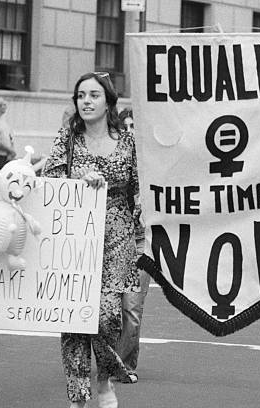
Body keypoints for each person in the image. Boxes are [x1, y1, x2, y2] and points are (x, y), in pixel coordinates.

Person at [43, 72, 139, 408]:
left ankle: (104, 379)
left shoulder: (128, 143)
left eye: (94, 95)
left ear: (109, 102)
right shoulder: (67, 140)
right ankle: (78, 396)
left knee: (108, 316)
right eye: (81, 95)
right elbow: (49, 177)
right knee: (73, 318)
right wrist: (78, 178)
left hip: (116, 237)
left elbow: (140, 191)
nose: (86, 101)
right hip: (75, 234)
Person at [115, 106, 148, 384]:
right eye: (125, 127)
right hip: (112, 241)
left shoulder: (155, 166)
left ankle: (125, 365)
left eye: (134, 127)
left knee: (132, 309)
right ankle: (109, 357)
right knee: (109, 308)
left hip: (143, 242)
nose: (130, 132)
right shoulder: (113, 162)